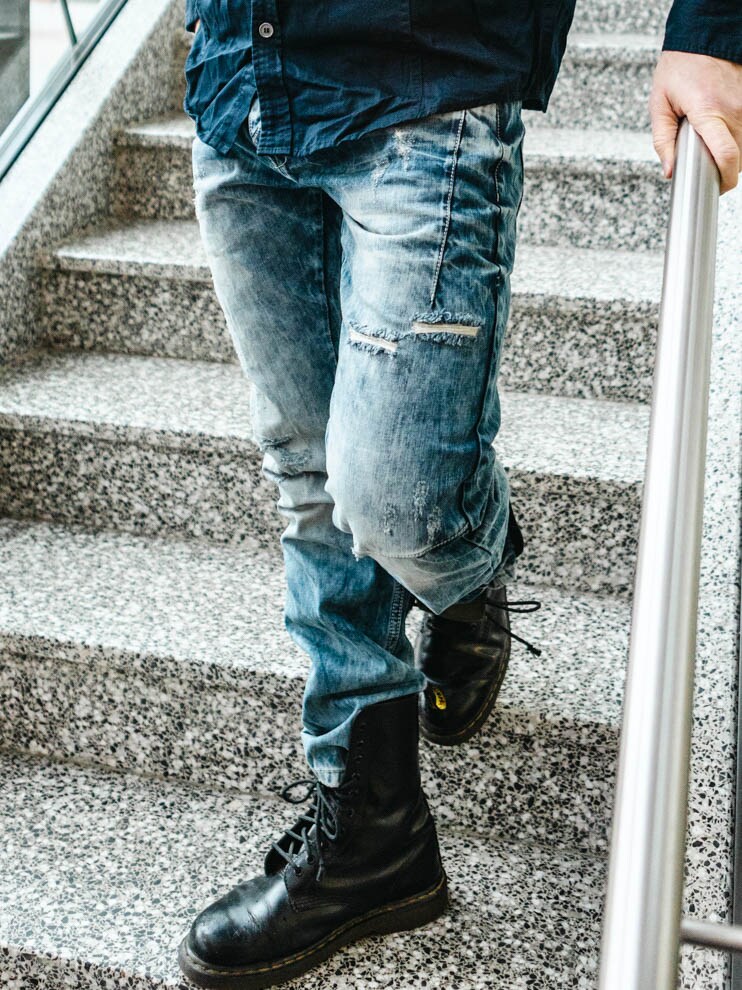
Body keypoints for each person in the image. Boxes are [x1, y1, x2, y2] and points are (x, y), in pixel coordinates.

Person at [177, 3, 742, 987]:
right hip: (240, 84)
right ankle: (373, 832)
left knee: (395, 499)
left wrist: (712, 28)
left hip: (424, 80)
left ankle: (470, 569)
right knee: (308, 471)